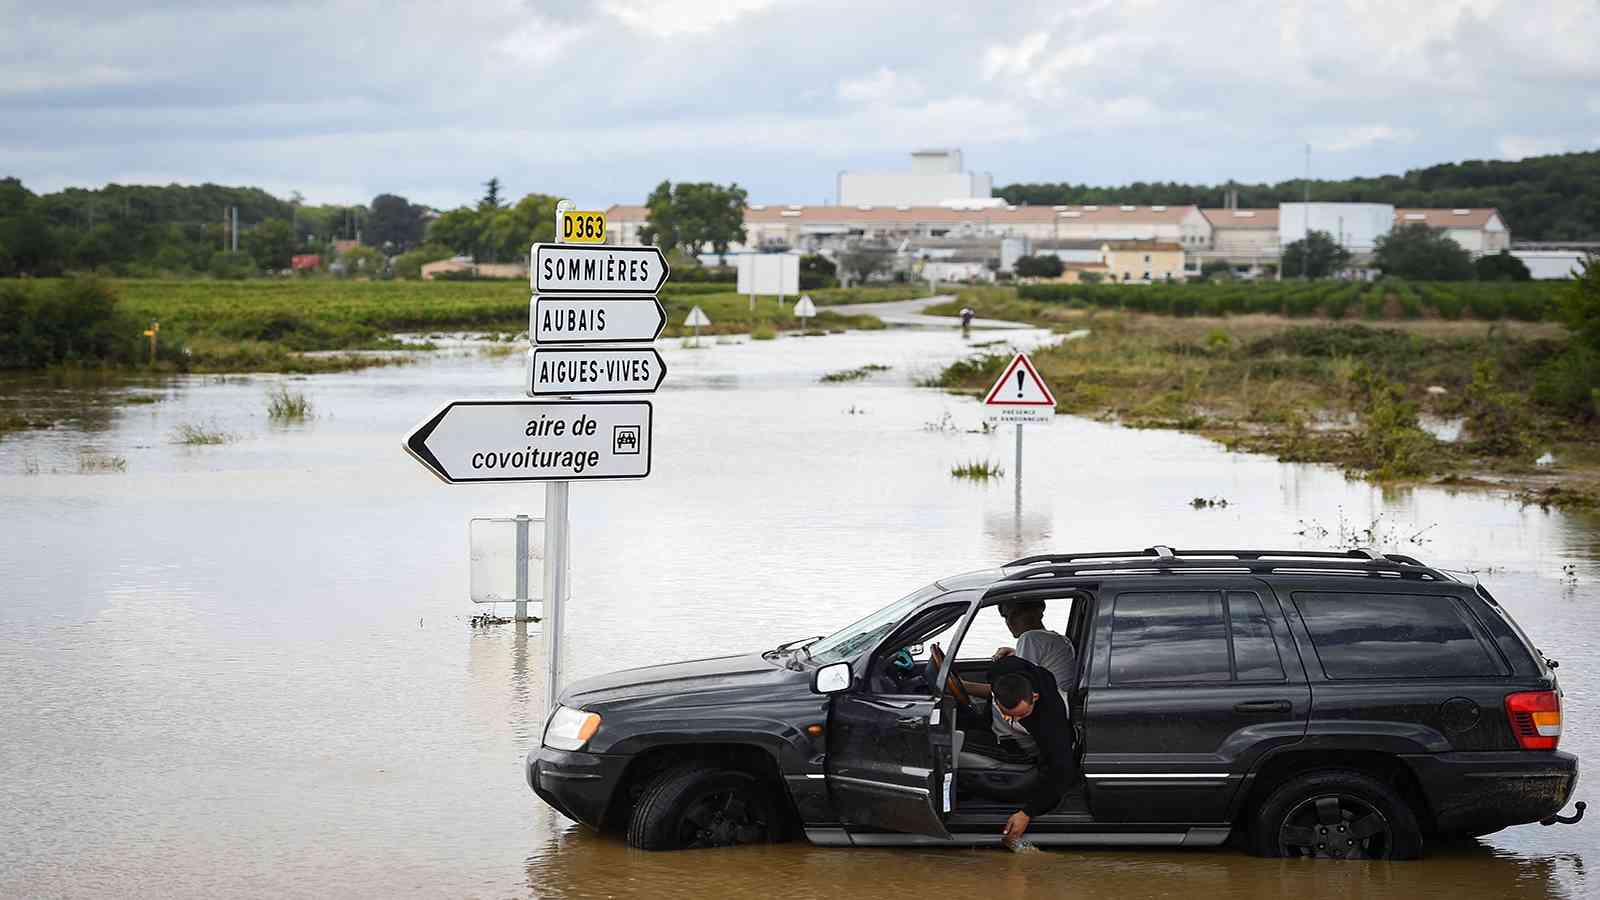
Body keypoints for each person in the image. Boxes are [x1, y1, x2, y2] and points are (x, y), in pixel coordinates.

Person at [959, 599, 1076, 755]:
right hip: (1048, 722)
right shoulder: (1058, 638)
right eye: (1006, 616)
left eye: (1016, 614)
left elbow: (1013, 691)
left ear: (1039, 610)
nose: (1010, 621)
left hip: (1019, 738)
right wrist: (1014, 652)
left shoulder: (1030, 638)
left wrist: (962, 686)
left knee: (958, 739)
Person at [989, 655, 1076, 843]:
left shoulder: (1049, 718)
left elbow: (1062, 771)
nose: (1012, 720)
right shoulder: (1001, 670)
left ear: (1034, 698)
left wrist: (1027, 812)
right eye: (1007, 715)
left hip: (1052, 735)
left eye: (1022, 715)